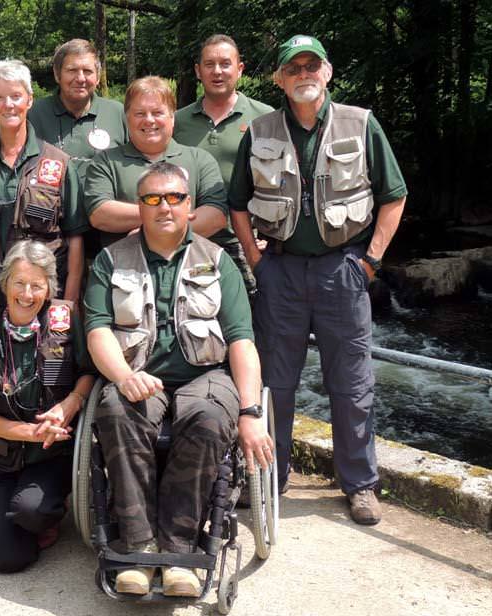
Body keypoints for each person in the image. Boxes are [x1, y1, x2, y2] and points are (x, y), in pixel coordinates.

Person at [229, 35, 408, 525]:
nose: (304, 73)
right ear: (279, 79)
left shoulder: (362, 123)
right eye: (294, 68)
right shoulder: (259, 129)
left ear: (327, 73)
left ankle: (361, 484)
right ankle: (271, 476)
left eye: (313, 65)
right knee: (275, 383)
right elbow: (238, 204)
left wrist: (369, 262)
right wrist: (255, 261)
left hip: (342, 269)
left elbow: (394, 196)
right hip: (280, 271)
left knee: (351, 384)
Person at [85, 162, 273, 597]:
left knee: (207, 418)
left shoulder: (218, 259)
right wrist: (125, 376)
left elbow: (242, 340)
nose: (163, 207)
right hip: (140, 374)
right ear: (140, 206)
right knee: (115, 408)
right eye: (152, 199)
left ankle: (179, 547)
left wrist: (251, 413)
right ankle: (138, 545)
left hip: (206, 374)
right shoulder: (110, 260)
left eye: (173, 198)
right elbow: (97, 331)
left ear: (189, 206)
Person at [0, 240, 95, 572]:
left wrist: (71, 403)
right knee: (8, 559)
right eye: (19, 283)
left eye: (37, 285)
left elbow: (89, 372)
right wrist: (31, 432)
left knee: (31, 511)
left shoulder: (65, 320)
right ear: (5, 284)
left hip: (49, 455)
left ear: (49, 287)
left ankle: (44, 514)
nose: (27, 293)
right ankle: (13, 519)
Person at [0, 59, 87, 332]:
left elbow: (75, 238)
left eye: (16, 96)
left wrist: (68, 302)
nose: (8, 104)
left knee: (48, 373)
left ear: (29, 99)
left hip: (43, 296)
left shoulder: (58, 164)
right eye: (0, 97)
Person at [174, 34, 274, 299]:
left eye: (225, 64)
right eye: (209, 64)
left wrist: (272, 237)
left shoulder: (266, 118)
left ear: (239, 69)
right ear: (198, 71)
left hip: (245, 243)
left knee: (249, 321)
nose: (217, 71)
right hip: (188, 241)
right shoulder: (176, 122)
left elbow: (284, 182)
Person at [84, 76, 228, 249]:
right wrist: (172, 215)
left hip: (190, 268)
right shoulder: (105, 162)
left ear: (172, 117)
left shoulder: (200, 159)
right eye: (140, 113)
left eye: (157, 112)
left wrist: (151, 235)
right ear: (127, 118)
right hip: (125, 268)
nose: (149, 120)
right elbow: (100, 214)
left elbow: (215, 216)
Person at [28, 39, 128, 182]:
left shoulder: (118, 113)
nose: (80, 78)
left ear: (98, 77)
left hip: (106, 203)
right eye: (72, 70)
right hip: (50, 202)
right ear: (57, 75)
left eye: (87, 71)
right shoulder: (34, 114)